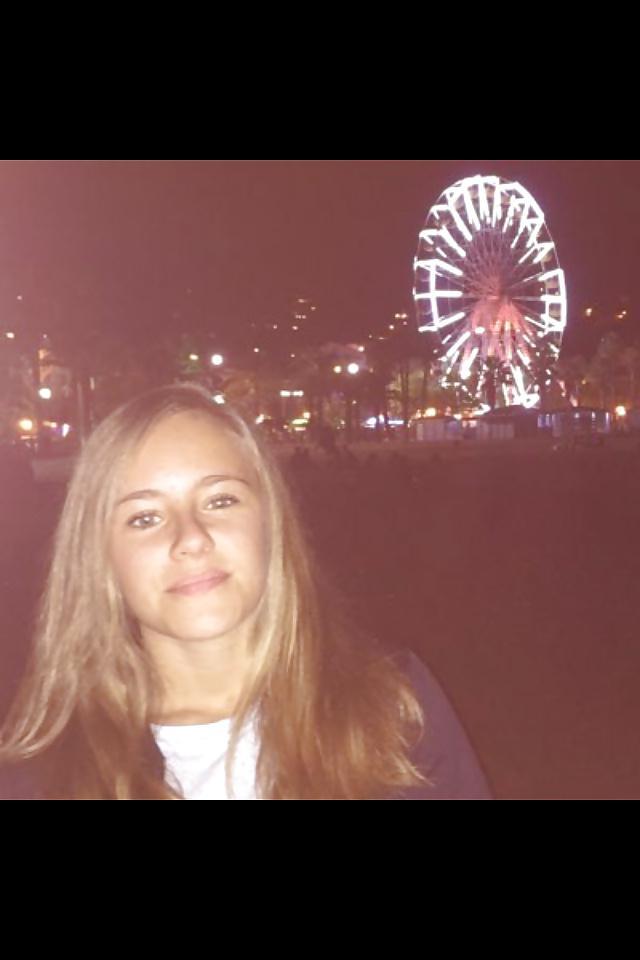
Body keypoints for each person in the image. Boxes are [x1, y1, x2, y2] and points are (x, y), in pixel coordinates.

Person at [0, 384, 490, 799]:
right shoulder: (40, 779)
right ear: (99, 558)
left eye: (220, 500)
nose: (191, 537)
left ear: (271, 522)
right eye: (145, 518)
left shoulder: (393, 709)